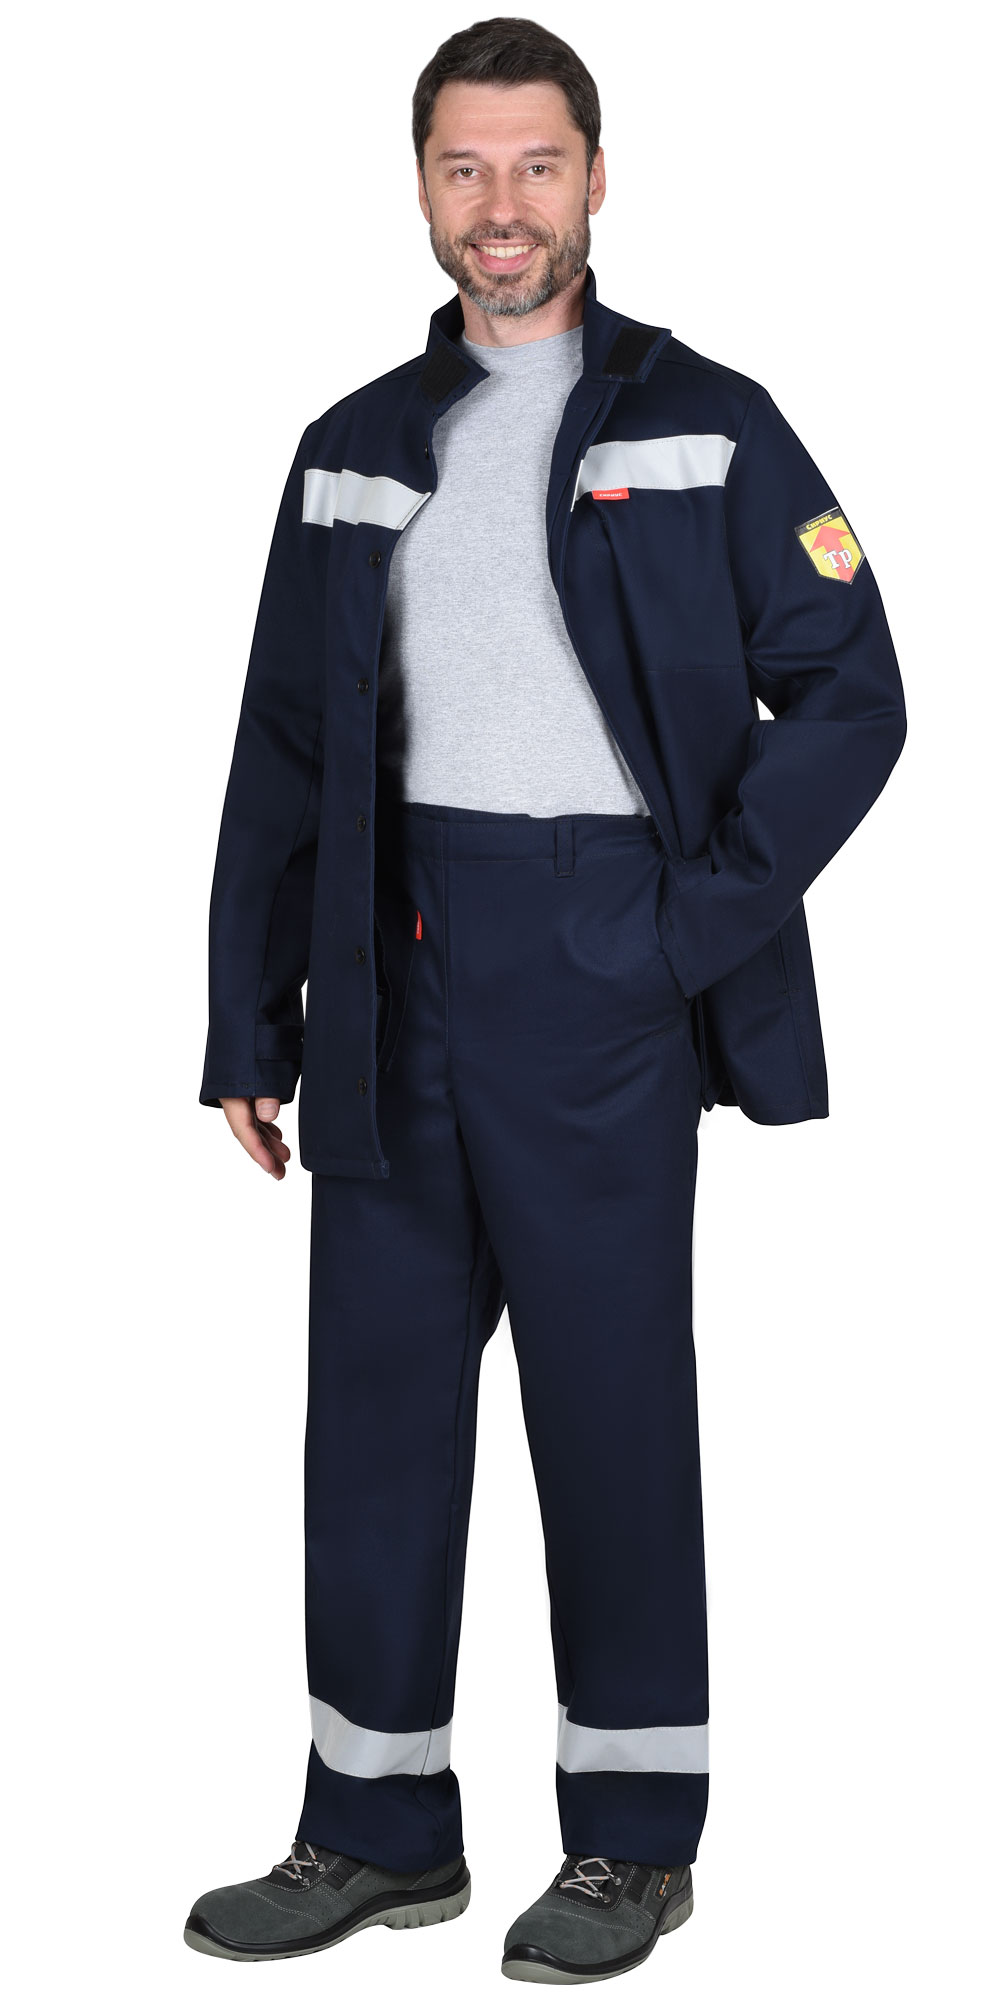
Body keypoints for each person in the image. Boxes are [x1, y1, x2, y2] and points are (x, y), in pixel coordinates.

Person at [185, 15, 906, 1984]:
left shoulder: (712, 424)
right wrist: (249, 1016)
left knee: (607, 1406)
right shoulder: (350, 444)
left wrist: (682, 929)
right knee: (374, 1415)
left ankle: (631, 1845)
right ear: (421, 187)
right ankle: (374, 1829)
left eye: (535, 164)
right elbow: (281, 748)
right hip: (388, 963)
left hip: (597, 959)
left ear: (597, 177)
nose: (499, 205)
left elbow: (854, 693)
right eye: (463, 167)